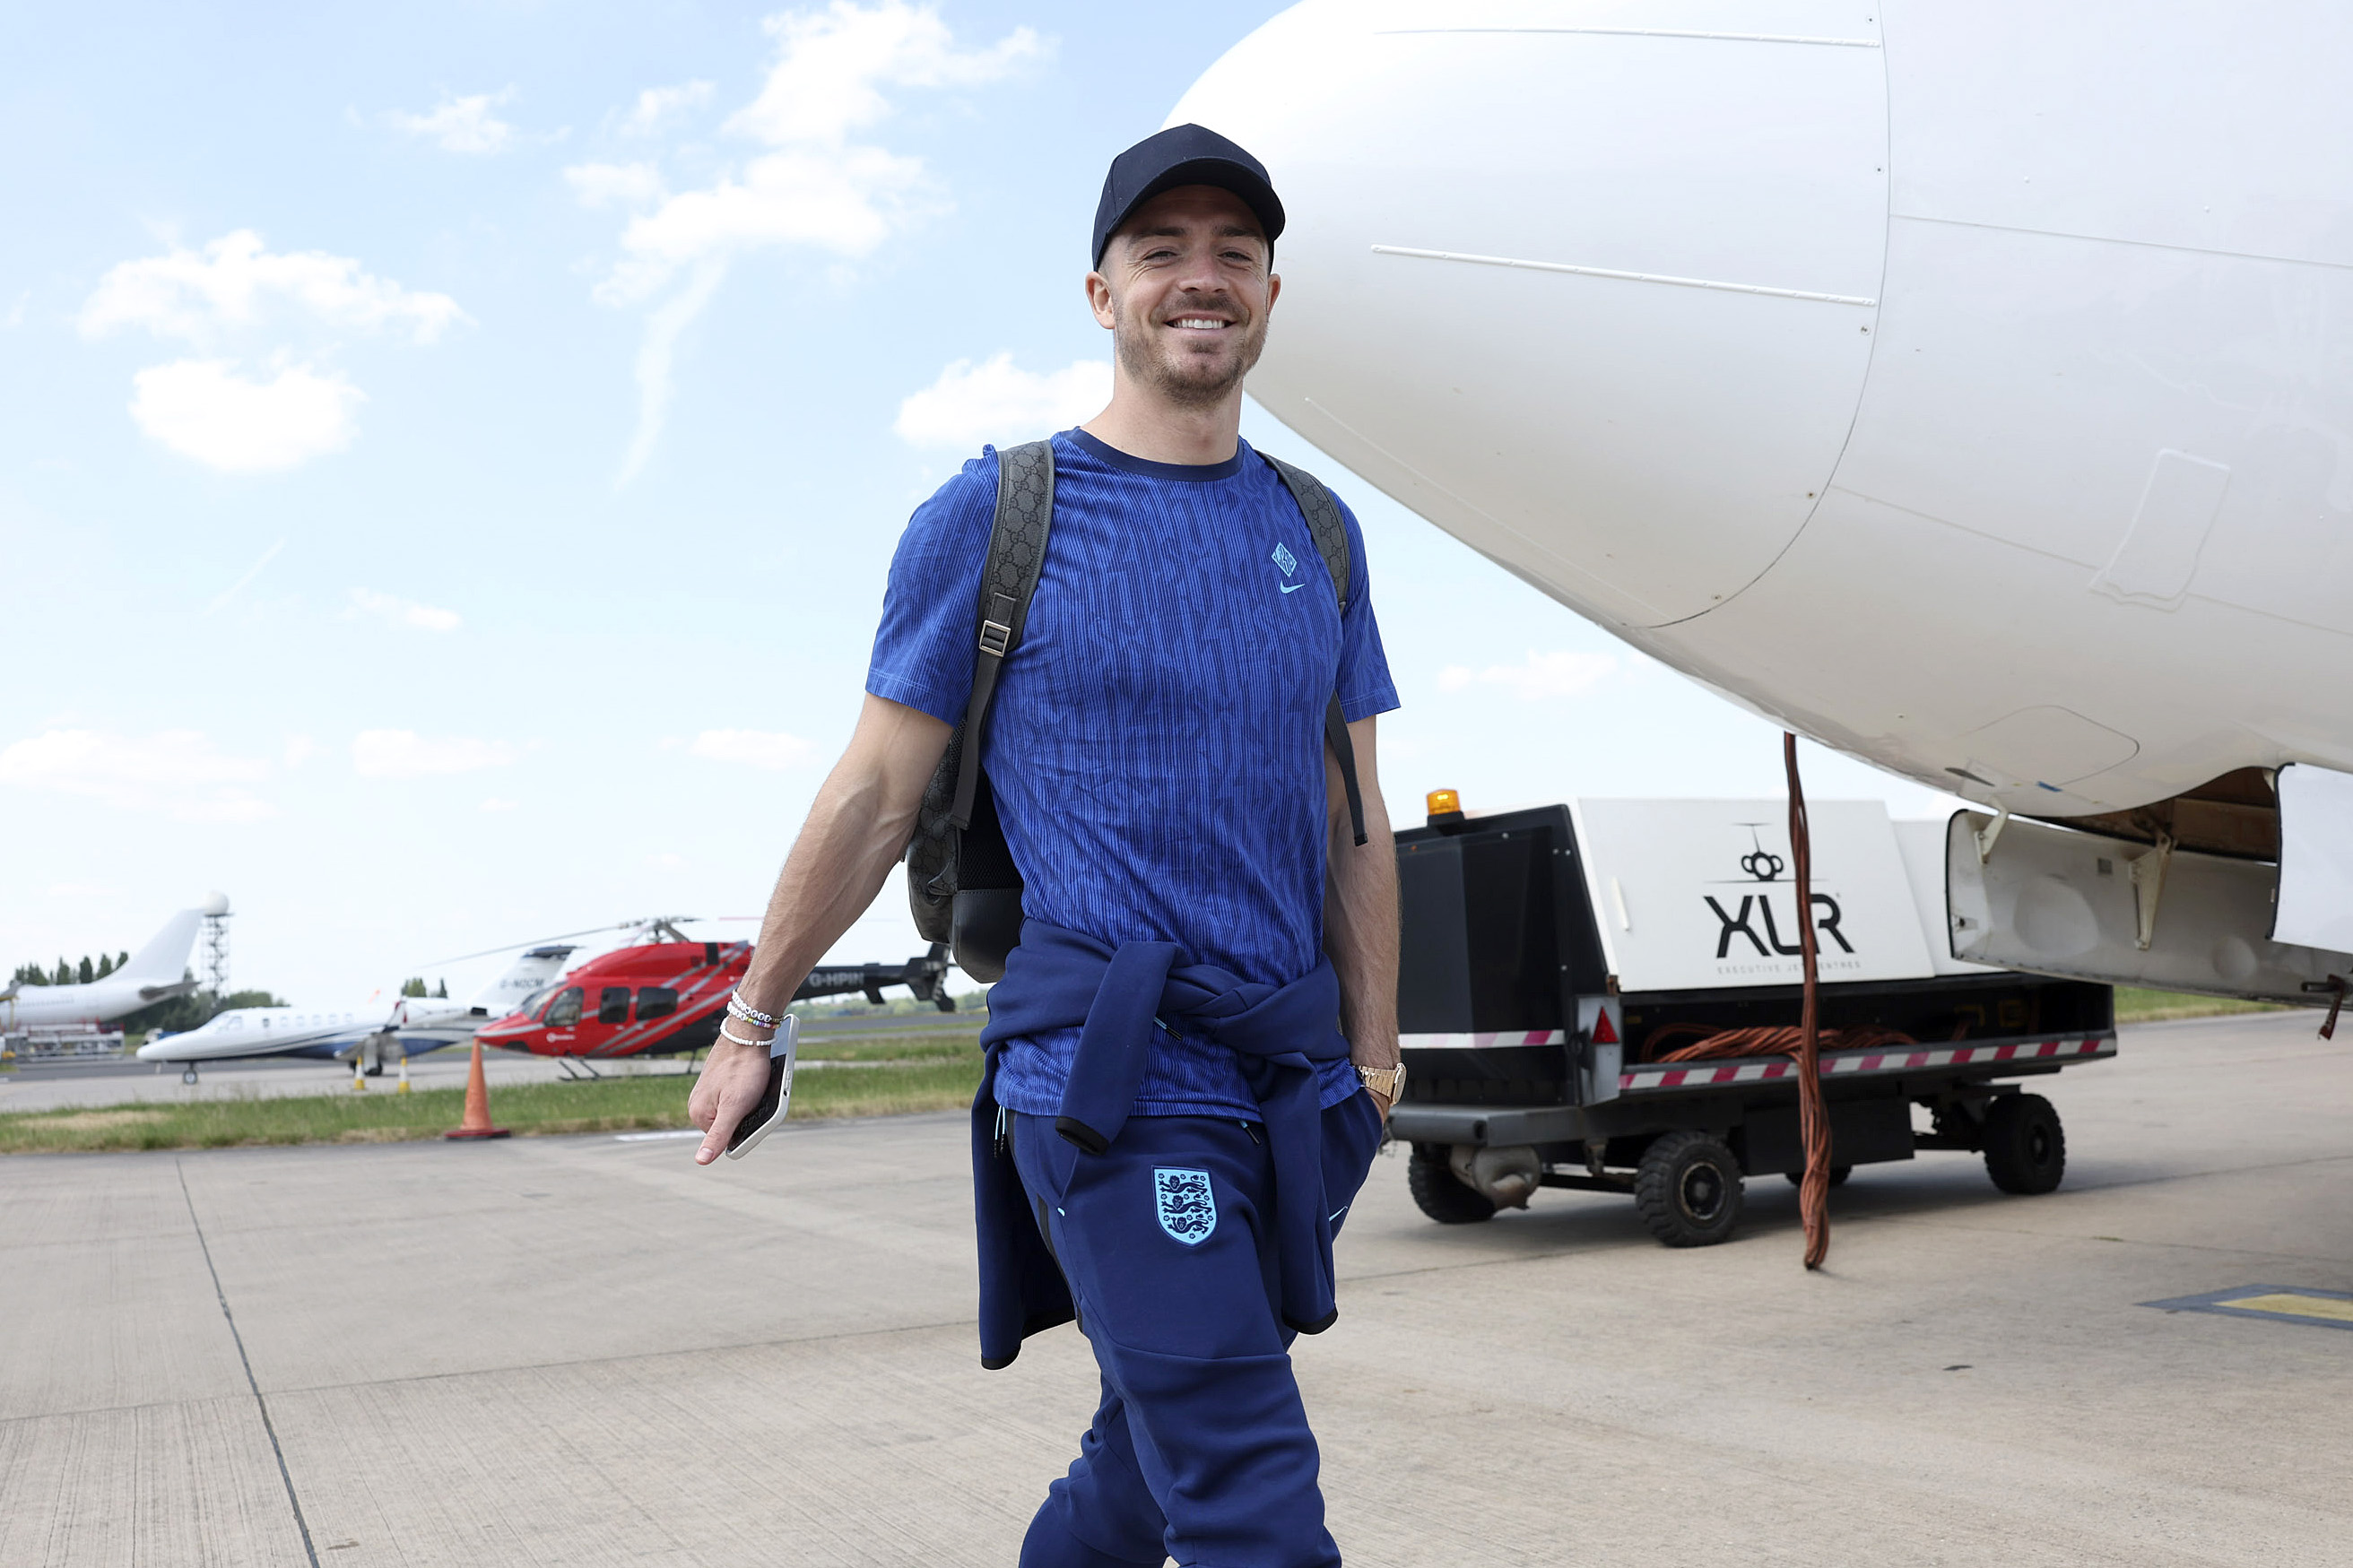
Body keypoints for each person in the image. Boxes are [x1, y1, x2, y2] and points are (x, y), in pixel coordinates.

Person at [690, 124, 1402, 1568]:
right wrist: (754, 1013)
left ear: (1270, 293)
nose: (1201, 280)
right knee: (1252, 1490)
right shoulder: (1000, 515)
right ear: (1102, 295)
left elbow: (1355, 817)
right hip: (1106, 1078)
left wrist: (1374, 1067)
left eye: (1234, 255)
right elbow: (876, 792)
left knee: (1139, 1470)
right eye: (1163, 254)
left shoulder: (1317, 533)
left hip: (1283, 1081)